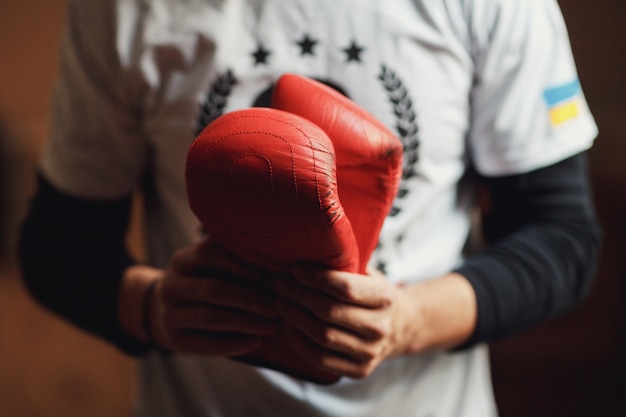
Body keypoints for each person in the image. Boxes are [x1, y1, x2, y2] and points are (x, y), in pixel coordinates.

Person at [19, 0, 601, 416]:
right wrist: (151, 307)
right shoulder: (125, 9)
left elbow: (561, 236)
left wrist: (406, 321)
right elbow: (56, 244)